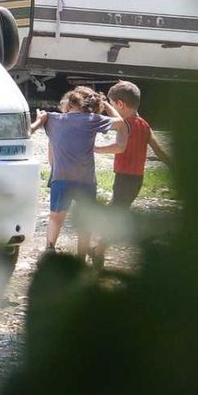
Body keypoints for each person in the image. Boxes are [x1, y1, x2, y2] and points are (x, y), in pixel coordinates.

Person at [30, 86, 127, 264]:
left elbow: (44, 143)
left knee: (56, 217)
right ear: (91, 105)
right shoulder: (93, 119)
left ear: (68, 103)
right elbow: (120, 122)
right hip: (85, 179)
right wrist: (106, 105)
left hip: (61, 177)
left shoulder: (54, 118)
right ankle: (81, 258)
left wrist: (39, 119)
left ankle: (50, 248)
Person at [94, 80, 172, 265]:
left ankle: (99, 251)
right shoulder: (144, 124)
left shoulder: (125, 125)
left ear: (120, 104)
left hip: (124, 179)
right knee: (116, 207)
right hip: (137, 179)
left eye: (113, 105)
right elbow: (159, 151)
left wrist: (95, 148)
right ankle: (99, 246)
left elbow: (118, 146)